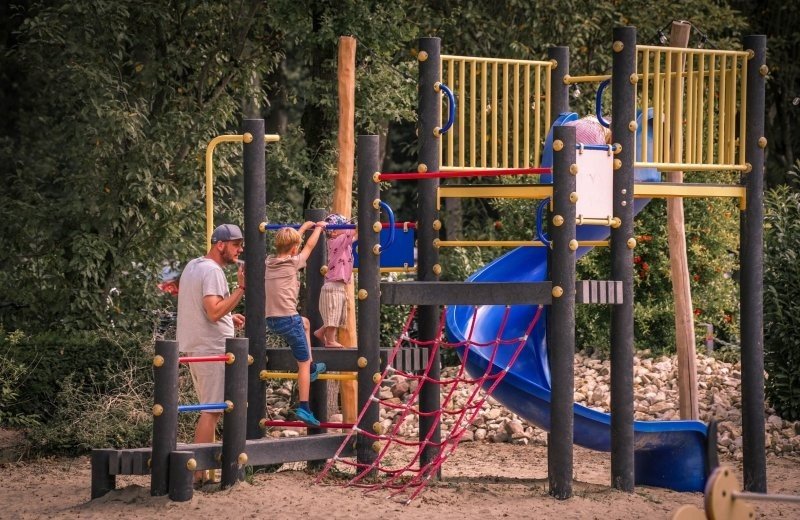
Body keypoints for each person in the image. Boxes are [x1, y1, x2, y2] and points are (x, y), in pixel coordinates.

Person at [176, 223, 246, 483]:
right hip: (212, 348)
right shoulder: (213, 271)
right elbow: (213, 311)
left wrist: (231, 314)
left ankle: (201, 471)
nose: (239, 249)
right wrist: (240, 289)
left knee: (211, 407)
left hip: (198, 344)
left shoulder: (194, 266)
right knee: (212, 410)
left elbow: (207, 308)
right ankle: (198, 473)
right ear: (220, 245)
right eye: (236, 244)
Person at [265, 220, 328, 426]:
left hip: (272, 320)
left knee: (306, 322)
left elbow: (293, 245)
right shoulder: (293, 263)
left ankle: (310, 367)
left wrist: (300, 229)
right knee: (301, 362)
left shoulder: (268, 262)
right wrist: (319, 227)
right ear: (294, 249)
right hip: (289, 321)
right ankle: (304, 406)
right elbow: (308, 246)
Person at [313, 213, 357, 348]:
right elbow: (352, 231)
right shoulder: (336, 242)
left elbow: (355, 235)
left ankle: (320, 332)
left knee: (336, 315)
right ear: (333, 233)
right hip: (333, 287)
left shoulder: (344, 242)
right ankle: (330, 340)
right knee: (333, 315)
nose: (345, 228)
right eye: (341, 227)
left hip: (336, 286)